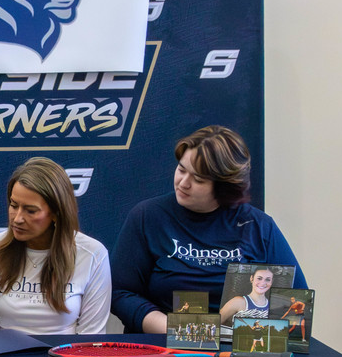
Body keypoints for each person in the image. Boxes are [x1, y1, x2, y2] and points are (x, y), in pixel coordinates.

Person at [110, 125, 307, 333]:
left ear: (225, 188)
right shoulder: (147, 216)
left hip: (238, 347)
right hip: (161, 343)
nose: (183, 183)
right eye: (181, 169)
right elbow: (120, 292)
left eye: (198, 179)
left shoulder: (258, 226)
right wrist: (172, 329)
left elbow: (297, 300)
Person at [0, 157, 111, 334]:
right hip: (2, 352)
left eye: (31, 211)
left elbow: (90, 338)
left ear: (56, 213)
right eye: (13, 205)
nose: (17, 219)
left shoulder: (93, 254)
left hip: (68, 352)